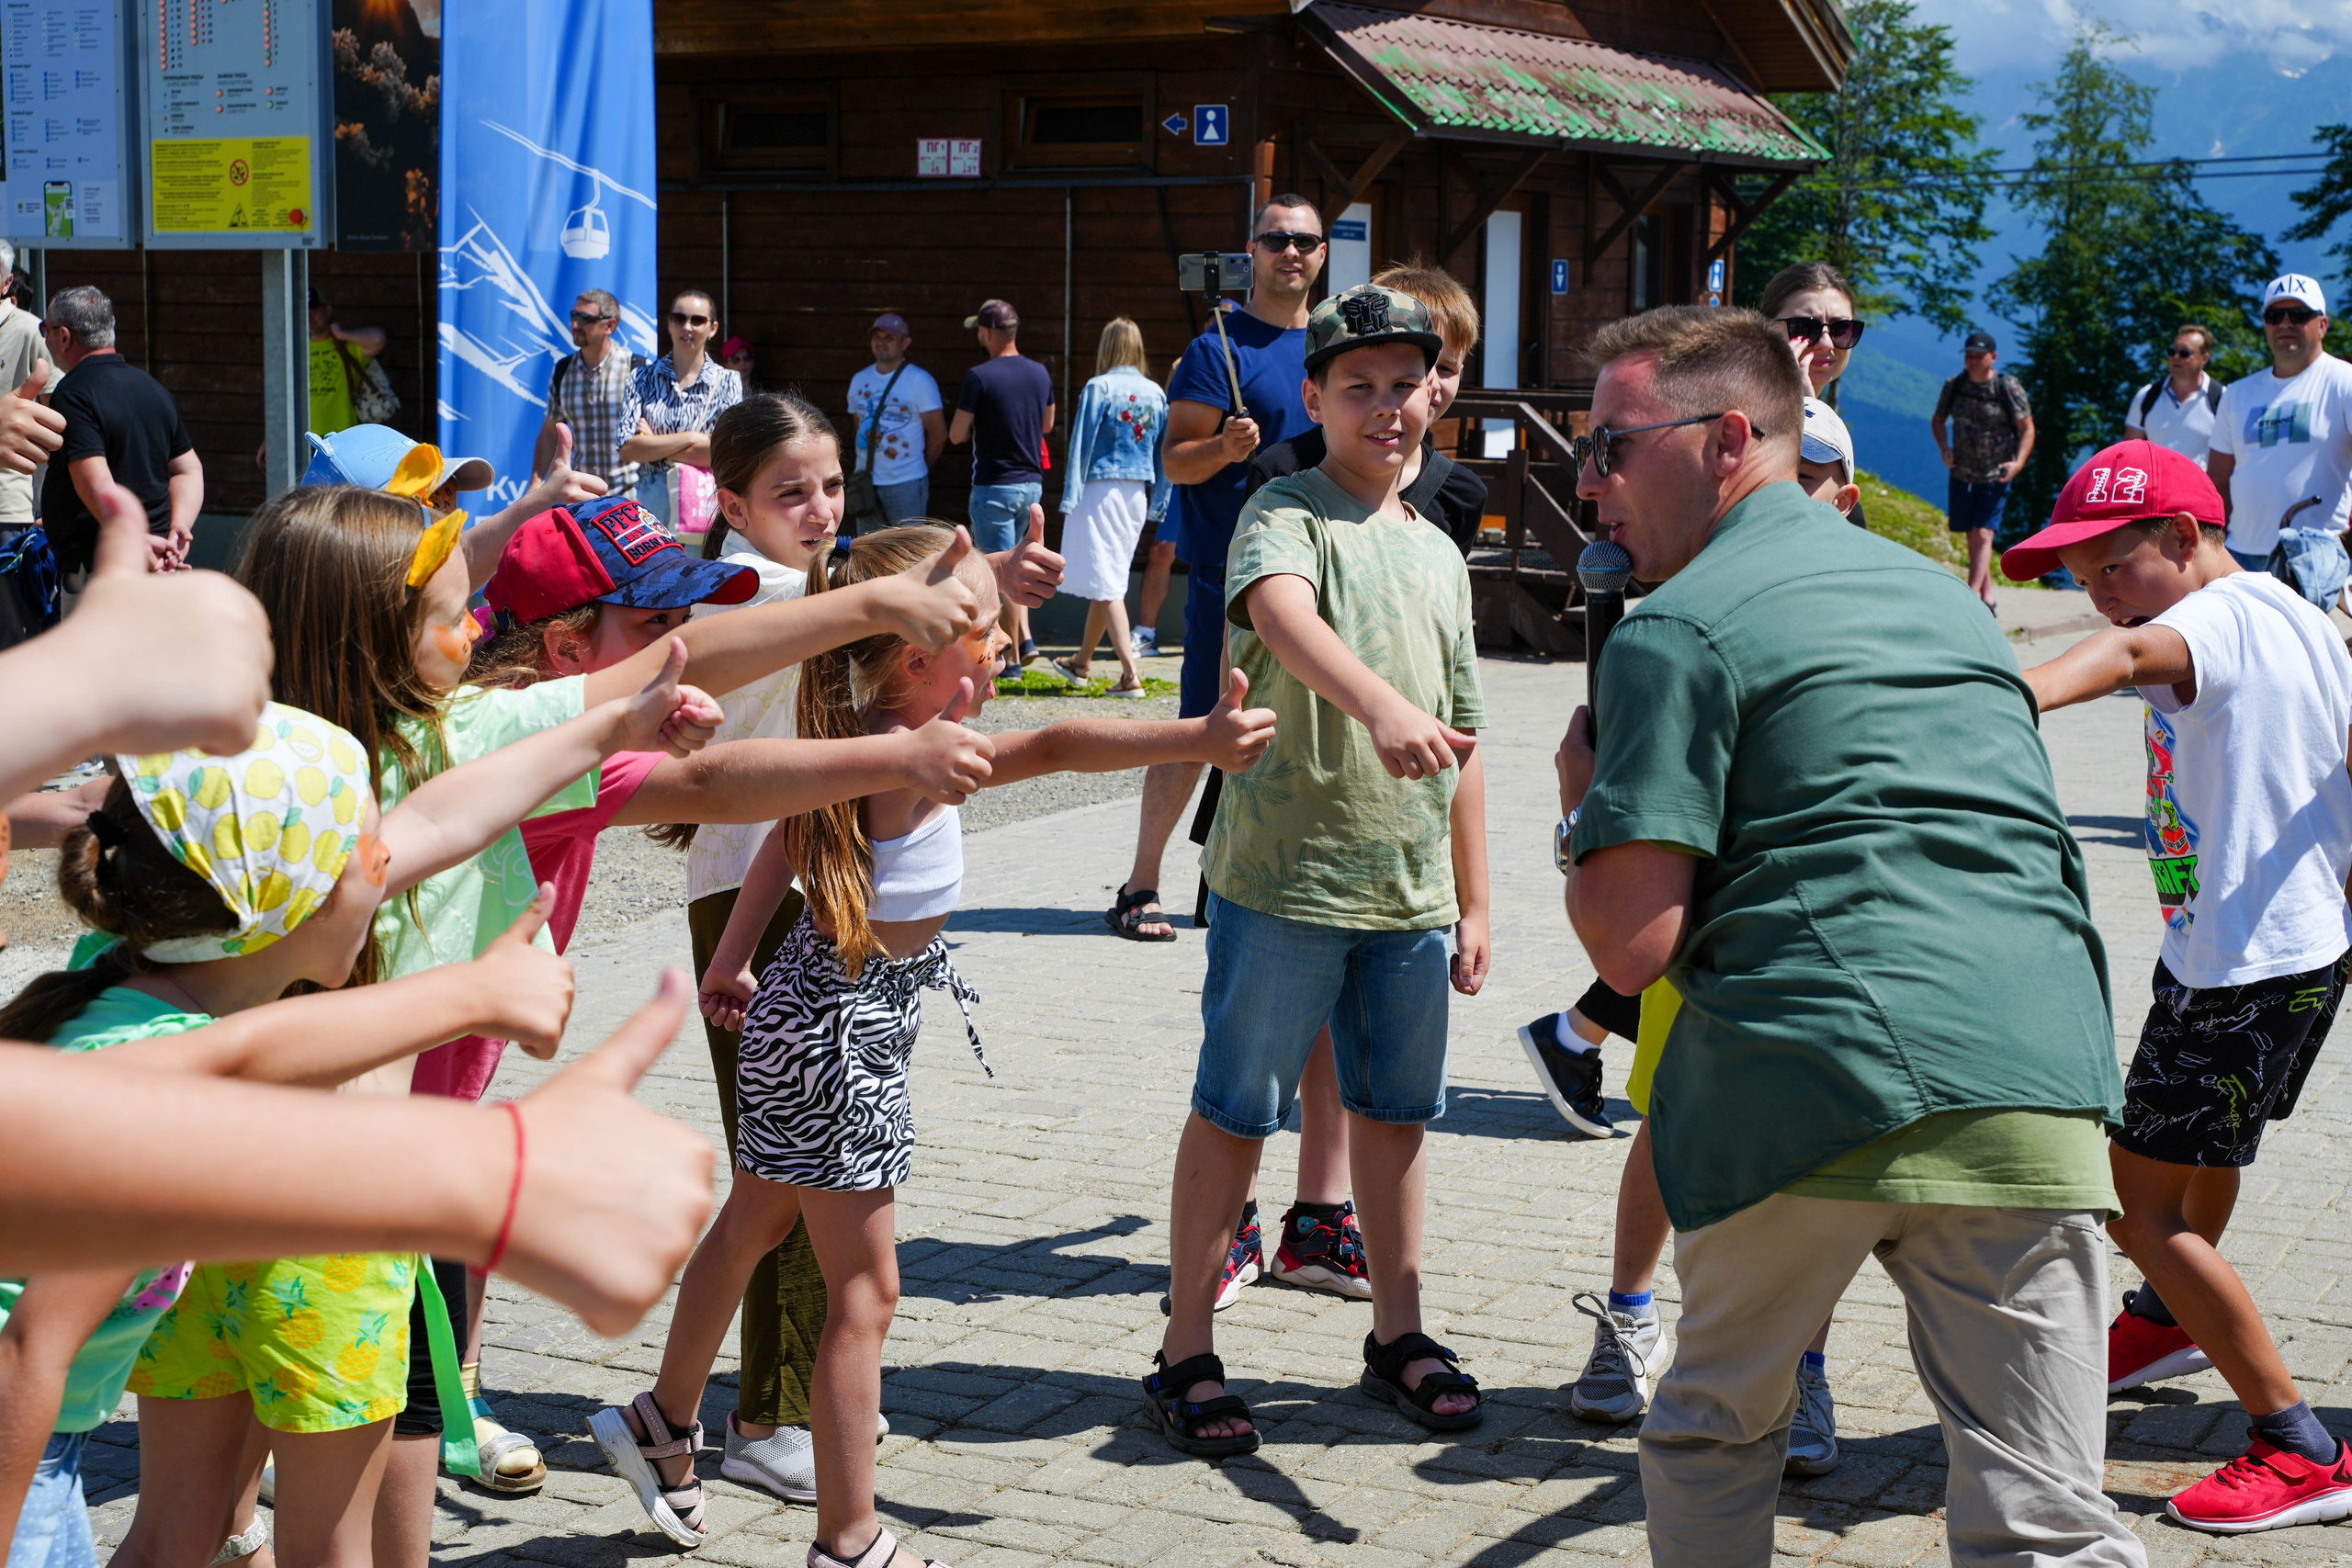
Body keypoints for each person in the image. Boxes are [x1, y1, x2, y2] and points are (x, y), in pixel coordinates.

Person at [1557, 305, 2144, 1568]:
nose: (1588, 480)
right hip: (2032, 1076)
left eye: (1610, 444)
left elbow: (1632, 944)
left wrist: (1581, 806)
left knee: (1714, 1434)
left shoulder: (1672, 625)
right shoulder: (1949, 606)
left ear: (1724, 440)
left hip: (1801, 1078)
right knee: (2047, 1512)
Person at [594, 524, 1275, 1559]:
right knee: (865, 1291)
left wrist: (735, 959)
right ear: (920, 657)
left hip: (807, 1003)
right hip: (839, 1025)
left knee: (751, 1226)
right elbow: (1052, 748)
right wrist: (1195, 742)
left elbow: (786, 835)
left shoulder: (865, 729)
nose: (1004, 649)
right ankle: (849, 1536)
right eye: (988, 635)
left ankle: (664, 1423)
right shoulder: (916, 753)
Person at [19, 669, 700, 1568]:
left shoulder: (149, 968)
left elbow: (446, 815)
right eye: (367, 853)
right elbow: (25, 1356)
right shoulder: (134, 1107)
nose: (390, 867)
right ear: (288, 901)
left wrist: (615, 723)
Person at [1147, 284, 1488, 1460]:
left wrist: (1478, 896)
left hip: (1407, 895)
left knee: (1395, 1119)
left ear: (1433, 395)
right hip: (1281, 882)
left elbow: (1463, 735)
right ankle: (1186, 1347)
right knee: (1236, 1113)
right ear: (1315, 396)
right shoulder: (1281, 511)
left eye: (1405, 385)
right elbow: (1282, 616)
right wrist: (1378, 704)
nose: (1386, 408)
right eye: (1359, 387)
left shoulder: (1443, 554)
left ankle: (1399, 1332)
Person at [2010, 441, 2352, 1532]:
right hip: (2286, 944)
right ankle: (2165, 1318)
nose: (2095, 591)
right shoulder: (2295, 608)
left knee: (2133, 1200)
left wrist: (2002, 699)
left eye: (2111, 563)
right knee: (2201, 1155)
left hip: (2239, 961)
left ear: (2179, 537)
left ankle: (2297, 1446)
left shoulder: (2197, 623)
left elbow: (2120, 658)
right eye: (2079, 572)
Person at [1105, 196, 1323, 942]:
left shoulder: (1334, 346)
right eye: (1275, 240)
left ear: (1322, 254)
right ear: (1253, 252)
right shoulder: (1217, 347)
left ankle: (1253, 881)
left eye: (1304, 241)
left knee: (1299, 730)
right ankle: (1139, 884)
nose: (1290, 252)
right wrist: (1224, 450)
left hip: (1317, 570)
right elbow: (1174, 460)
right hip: (1229, 575)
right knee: (1201, 727)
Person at [40, 287, 202, 577]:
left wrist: (137, 543)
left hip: (104, 566)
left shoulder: (72, 395)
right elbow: (188, 469)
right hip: (162, 558)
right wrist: (179, 527)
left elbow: (97, 485)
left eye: (45, 329)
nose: (44, 337)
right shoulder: (154, 389)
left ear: (64, 337)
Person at [1050, 317, 1170, 696]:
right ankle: (1081, 663)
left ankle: (1130, 675)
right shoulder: (1155, 392)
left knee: (1109, 583)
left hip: (1099, 488)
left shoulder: (1098, 387)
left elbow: (1081, 444)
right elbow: (1163, 453)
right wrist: (1161, 499)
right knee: (1109, 575)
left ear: (1107, 346)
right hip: (1137, 491)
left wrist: (1069, 496)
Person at [2209, 275, 2352, 569]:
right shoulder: (2237, 394)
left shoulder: (2344, 382)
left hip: (2317, 555)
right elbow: (2218, 479)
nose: (2285, 324)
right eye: (2275, 316)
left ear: (2322, 325)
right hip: (2239, 554)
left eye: (2298, 315)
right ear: (2265, 325)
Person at [947, 299, 1055, 663]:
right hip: (1031, 485)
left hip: (993, 485)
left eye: (978, 330)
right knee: (1019, 565)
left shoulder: (979, 376)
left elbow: (957, 434)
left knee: (995, 572)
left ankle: (1009, 655)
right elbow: (1048, 425)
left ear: (988, 333)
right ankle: (1024, 642)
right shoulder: (1040, 373)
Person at [621, 289, 742, 530]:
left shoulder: (728, 381)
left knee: (700, 568)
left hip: (703, 501)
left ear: (713, 328)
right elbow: (627, 447)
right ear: (669, 324)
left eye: (697, 320)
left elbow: (725, 452)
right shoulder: (641, 378)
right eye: (679, 318)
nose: (687, 327)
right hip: (652, 502)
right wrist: (691, 439)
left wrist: (654, 444)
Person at [1930, 329, 2034, 609]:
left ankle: (1970, 597)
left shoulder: (2007, 388)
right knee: (1972, 535)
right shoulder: (1955, 385)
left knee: (1984, 534)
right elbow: (1938, 419)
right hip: (1962, 471)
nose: (1972, 360)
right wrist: (1944, 448)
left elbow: (2027, 428)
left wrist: (2019, 462)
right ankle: (1988, 596)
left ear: (1993, 357)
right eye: (1969, 355)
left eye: (1978, 355)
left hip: (1997, 473)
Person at [535, 288, 644, 498]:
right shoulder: (563, 371)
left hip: (631, 497)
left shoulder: (637, 368)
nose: (575, 325)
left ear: (610, 326)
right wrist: (536, 483)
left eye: (585, 319)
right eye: (574, 316)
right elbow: (550, 432)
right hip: (582, 499)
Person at [846, 311, 945, 527]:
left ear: (905, 343)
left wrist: (917, 468)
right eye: (877, 337)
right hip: (866, 481)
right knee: (868, 551)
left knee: (908, 551)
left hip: (905, 483)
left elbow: (938, 433)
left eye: (889, 338)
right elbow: (859, 424)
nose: (881, 343)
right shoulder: (859, 379)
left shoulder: (919, 380)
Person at [2124, 323, 2223, 467]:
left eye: (2184, 353)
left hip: (2201, 487)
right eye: (2172, 351)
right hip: (2156, 487)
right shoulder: (2146, 396)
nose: (2176, 357)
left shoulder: (2222, 398)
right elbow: (2130, 455)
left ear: (2205, 359)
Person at [307, 286, 391, 438]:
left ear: (328, 310)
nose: (309, 317)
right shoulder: (297, 349)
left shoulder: (347, 347)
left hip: (343, 436)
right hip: (305, 437)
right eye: (305, 312)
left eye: (314, 311)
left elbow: (378, 339)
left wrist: (342, 334)